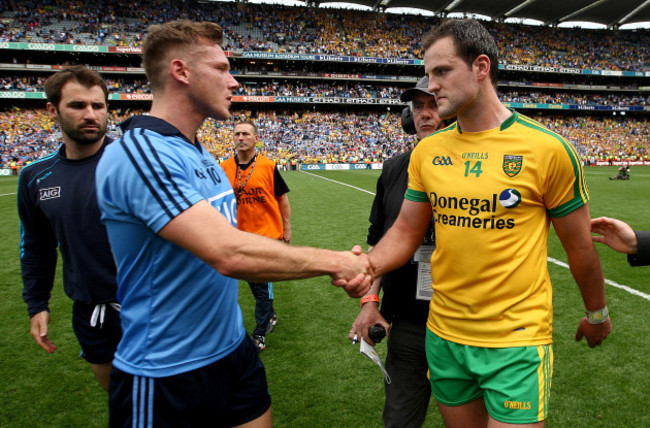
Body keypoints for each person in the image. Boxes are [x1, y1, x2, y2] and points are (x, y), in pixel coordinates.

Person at [94, 20, 371, 427]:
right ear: (181, 72)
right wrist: (338, 262)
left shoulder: (202, 154)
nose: (234, 81)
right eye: (222, 69)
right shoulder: (141, 154)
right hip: (168, 367)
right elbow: (227, 251)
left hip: (231, 349)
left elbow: (232, 241)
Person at [349, 19, 612, 428]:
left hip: (515, 341)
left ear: (481, 67)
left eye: (442, 71)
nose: (431, 85)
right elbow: (402, 233)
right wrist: (366, 268)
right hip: (444, 337)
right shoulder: (428, 152)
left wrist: (596, 313)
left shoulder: (547, 149)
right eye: (428, 72)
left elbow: (580, 247)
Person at [17, 65, 121, 392]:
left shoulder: (136, 161)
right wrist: (37, 303)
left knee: (179, 407)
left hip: (154, 305)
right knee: (125, 406)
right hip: (91, 311)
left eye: (98, 106)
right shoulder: (35, 177)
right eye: (78, 106)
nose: (90, 114)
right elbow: (36, 246)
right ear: (53, 110)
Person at [348, 76, 441, 428]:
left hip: (465, 322)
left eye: (433, 104)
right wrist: (370, 301)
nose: (425, 114)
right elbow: (380, 239)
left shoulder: (472, 169)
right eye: (418, 107)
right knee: (399, 419)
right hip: (407, 322)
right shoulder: (393, 169)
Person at [221, 121, 290, 352]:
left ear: (255, 138)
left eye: (246, 134)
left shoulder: (268, 166)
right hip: (238, 237)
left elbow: (282, 199)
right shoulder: (223, 168)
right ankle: (270, 315)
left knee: (262, 285)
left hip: (267, 236)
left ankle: (259, 334)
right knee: (254, 282)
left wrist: (287, 229)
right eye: (237, 134)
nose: (241, 137)